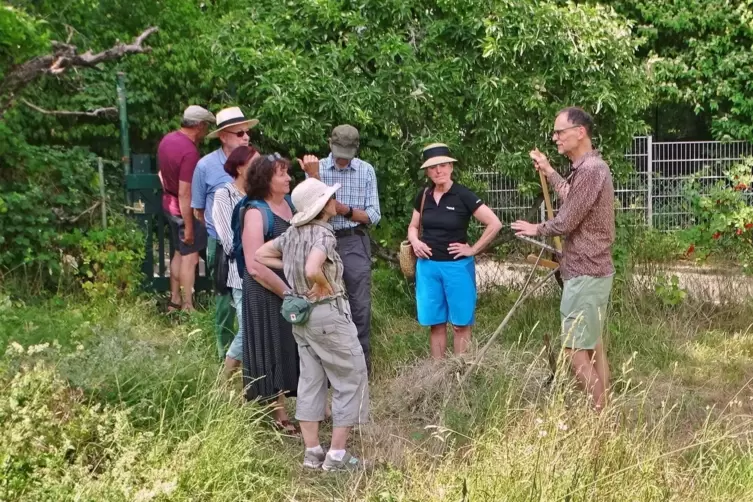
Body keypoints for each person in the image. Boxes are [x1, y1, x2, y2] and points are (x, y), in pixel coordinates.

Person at [256, 176, 369, 471]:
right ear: (323, 206)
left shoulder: (291, 235)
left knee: (311, 380)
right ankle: (337, 455)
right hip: (327, 312)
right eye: (330, 198)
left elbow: (260, 254)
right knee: (350, 377)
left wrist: (292, 266)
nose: (335, 202)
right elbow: (311, 267)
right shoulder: (324, 235)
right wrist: (317, 280)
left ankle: (313, 452)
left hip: (302, 316)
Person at [510, 107, 615, 412]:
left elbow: (567, 220)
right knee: (593, 345)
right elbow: (574, 197)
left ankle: (601, 416)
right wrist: (549, 170)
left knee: (572, 350)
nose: (555, 137)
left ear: (580, 132)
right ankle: (604, 412)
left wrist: (536, 228)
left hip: (585, 271)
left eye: (560, 132)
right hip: (593, 270)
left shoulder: (592, 170)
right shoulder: (589, 169)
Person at [407, 143, 502, 359]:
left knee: (460, 324)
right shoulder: (423, 195)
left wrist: (473, 249)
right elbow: (413, 226)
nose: (438, 171)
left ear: (451, 167)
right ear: (427, 172)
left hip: (457, 268)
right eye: (432, 167)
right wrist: (415, 241)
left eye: (442, 165)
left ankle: (461, 374)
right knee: (436, 324)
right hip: (428, 268)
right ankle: (438, 375)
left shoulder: (463, 195)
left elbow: (494, 223)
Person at [298, 125, 380, 371]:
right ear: (329, 144)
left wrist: (347, 211)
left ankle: (360, 363)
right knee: (321, 300)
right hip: (319, 238)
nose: (343, 157)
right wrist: (313, 178)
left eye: (347, 152)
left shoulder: (366, 170)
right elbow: (308, 208)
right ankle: (325, 365)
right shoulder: (316, 169)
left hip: (353, 239)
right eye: (339, 151)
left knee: (359, 302)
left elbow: (374, 215)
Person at [192, 107, 259, 360]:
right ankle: (225, 355)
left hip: (251, 246)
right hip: (219, 241)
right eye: (239, 132)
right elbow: (199, 208)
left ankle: (245, 357)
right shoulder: (205, 166)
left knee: (247, 304)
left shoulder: (254, 162)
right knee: (224, 302)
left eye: (247, 132)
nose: (245, 137)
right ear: (223, 136)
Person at [241, 153, 299, 434]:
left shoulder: (289, 205)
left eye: (288, 172)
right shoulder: (255, 212)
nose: (288, 178)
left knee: (289, 344)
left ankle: (294, 403)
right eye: (282, 174)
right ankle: (277, 413)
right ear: (266, 179)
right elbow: (253, 265)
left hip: (288, 288)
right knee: (271, 345)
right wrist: (286, 291)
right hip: (264, 289)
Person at [157, 105, 214, 312]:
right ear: (198, 126)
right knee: (190, 257)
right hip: (183, 210)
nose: (207, 131)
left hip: (168, 205)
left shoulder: (167, 140)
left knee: (179, 254)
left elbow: (161, 175)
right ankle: (188, 306)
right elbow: (185, 193)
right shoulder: (189, 152)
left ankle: (174, 301)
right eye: (206, 126)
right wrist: (189, 226)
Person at [212, 145, 259, 375]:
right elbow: (228, 239)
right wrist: (256, 250)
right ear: (240, 168)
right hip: (239, 273)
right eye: (255, 162)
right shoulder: (224, 195)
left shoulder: (259, 195)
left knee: (256, 328)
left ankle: (252, 382)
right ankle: (223, 382)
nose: (261, 168)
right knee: (249, 329)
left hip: (263, 270)